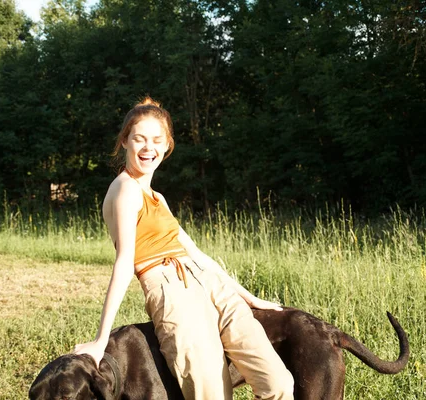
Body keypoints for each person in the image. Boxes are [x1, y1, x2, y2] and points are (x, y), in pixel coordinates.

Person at [73, 97, 294, 400]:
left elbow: (197, 255)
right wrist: (100, 340)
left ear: (167, 146)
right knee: (211, 395)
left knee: (279, 384)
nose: (148, 147)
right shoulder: (124, 189)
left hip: (210, 284)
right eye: (139, 138)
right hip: (170, 289)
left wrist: (249, 297)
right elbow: (124, 262)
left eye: (156, 140)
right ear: (125, 140)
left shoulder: (158, 198)